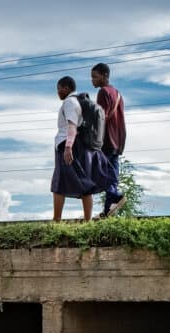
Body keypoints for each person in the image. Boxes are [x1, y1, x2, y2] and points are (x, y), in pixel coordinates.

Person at [51, 75, 106, 222]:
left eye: (59, 89)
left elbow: (72, 125)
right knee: (76, 181)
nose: (58, 92)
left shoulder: (69, 102)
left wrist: (68, 147)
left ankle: (57, 220)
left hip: (67, 145)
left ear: (66, 88)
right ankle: (84, 221)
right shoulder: (78, 102)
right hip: (77, 145)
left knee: (61, 183)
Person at [92, 63, 127, 217]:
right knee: (112, 173)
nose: (92, 80)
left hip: (106, 138)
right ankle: (107, 210)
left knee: (100, 172)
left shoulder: (103, 92)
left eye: (95, 76)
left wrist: (93, 138)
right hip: (118, 138)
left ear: (105, 75)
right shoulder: (117, 93)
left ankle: (115, 196)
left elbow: (100, 118)